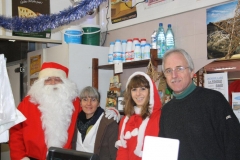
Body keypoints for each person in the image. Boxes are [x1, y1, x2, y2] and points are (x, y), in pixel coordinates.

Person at [9, 62, 119, 160]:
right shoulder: (28, 102)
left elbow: (90, 110)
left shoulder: (74, 102)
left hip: (65, 157)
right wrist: (20, 157)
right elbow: (15, 132)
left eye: (57, 79)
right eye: (48, 79)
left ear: (65, 83)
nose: (53, 83)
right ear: (41, 82)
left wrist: (112, 111)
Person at [159, 48, 240, 160]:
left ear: (192, 72)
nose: (174, 75)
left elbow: (234, 145)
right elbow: (165, 152)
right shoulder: (166, 110)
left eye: (179, 68)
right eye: (168, 71)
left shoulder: (214, 100)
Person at [116, 72, 162, 160]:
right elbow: (122, 151)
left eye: (143, 89)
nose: (138, 93)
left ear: (150, 92)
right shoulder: (125, 120)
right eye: (134, 89)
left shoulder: (160, 118)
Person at [72, 86, 118, 159]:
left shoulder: (109, 122)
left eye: (93, 100)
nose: (89, 103)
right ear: (80, 103)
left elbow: (114, 154)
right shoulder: (75, 121)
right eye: (85, 99)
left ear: (98, 103)